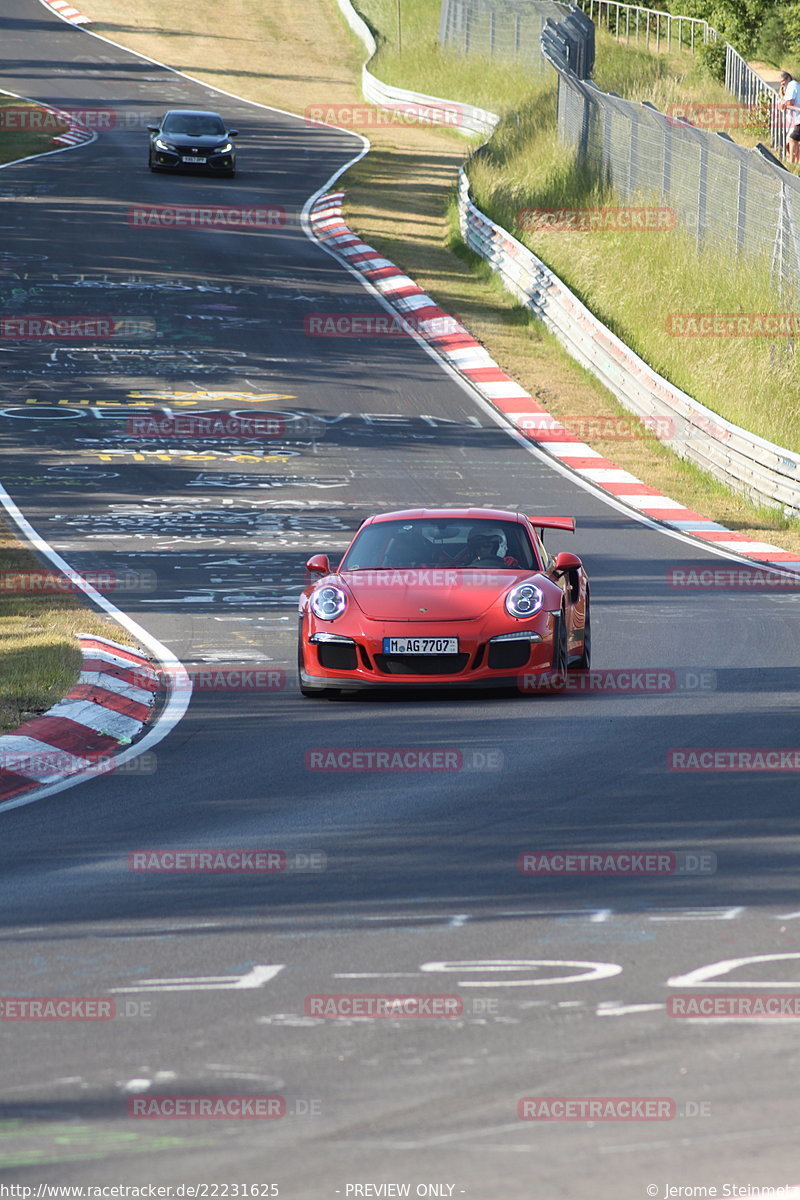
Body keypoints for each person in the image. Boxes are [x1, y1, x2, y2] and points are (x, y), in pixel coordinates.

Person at [778, 71, 800, 165]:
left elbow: (790, 102)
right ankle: (795, 163)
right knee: (792, 141)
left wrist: (783, 105)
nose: (782, 83)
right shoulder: (793, 85)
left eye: (783, 81)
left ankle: (792, 163)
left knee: (792, 139)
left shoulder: (792, 85)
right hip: (795, 119)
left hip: (798, 118)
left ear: (788, 79)